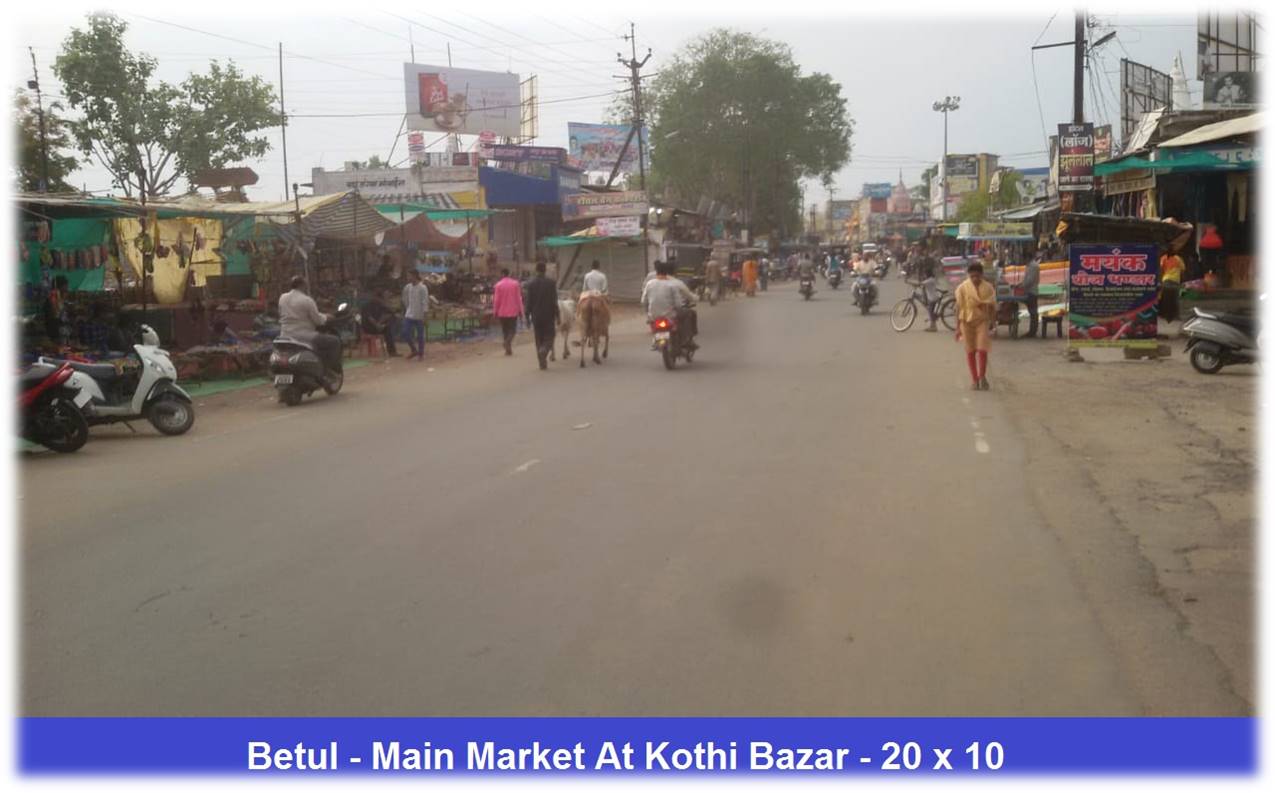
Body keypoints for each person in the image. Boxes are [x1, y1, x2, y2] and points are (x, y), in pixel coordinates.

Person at [279, 275, 342, 376]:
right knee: (334, 341)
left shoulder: (282, 298)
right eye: (306, 284)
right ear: (302, 285)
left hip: (285, 335)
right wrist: (327, 317)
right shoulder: (307, 300)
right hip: (304, 335)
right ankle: (331, 369)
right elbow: (318, 320)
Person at [954, 262, 997, 391]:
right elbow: (958, 307)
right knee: (970, 350)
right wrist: (957, 328)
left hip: (982, 321)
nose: (975, 279)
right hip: (966, 321)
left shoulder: (988, 288)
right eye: (972, 276)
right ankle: (974, 379)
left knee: (982, 349)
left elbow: (993, 306)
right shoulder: (962, 288)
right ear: (969, 276)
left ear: (982, 275)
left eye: (977, 276)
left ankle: (982, 376)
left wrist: (993, 323)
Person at [641, 260, 698, 347]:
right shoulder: (673, 284)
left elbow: (643, 301)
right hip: (670, 315)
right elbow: (678, 304)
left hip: (653, 315)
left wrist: (648, 310)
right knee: (687, 314)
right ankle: (687, 338)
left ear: (656, 272)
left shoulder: (649, 283)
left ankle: (656, 339)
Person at [524, 261, 560, 370]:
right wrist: (558, 316)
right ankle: (544, 350)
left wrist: (527, 318)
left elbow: (528, 302)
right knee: (550, 336)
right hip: (549, 316)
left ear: (536, 270)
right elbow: (554, 301)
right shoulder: (551, 283)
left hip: (536, 316)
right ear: (545, 270)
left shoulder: (530, 284)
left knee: (538, 339)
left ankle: (542, 363)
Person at [492, 268, 525, 356]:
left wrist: (495, 312)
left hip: (502, 312)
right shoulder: (515, 284)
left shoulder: (498, 285)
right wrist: (521, 311)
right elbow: (519, 299)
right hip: (513, 311)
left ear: (502, 274)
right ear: (509, 274)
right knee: (512, 330)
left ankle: (508, 348)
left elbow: (496, 300)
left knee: (505, 331)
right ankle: (507, 343)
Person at [401, 269, 429, 360]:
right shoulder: (408, 287)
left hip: (419, 315)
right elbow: (404, 299)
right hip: (409, 314)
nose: (408, 278)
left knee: (420, 336)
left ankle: (421, 354)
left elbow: (425, 302)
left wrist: (425, 316)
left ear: (415, 276)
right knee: (405, 332)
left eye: (410, 276)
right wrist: (406, 309)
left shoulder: (422, 288)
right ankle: (413, 349)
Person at [361, 289, 400, 357]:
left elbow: (391, 312)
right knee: (387, 329)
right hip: (368, 327)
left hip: (377, 325)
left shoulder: (380, 304)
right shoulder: (367, 305)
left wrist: (381, 322)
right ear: (375, 297)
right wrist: (377, 325)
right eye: (378, 298)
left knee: (389, 323)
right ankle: (392, 352)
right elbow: (369, 318)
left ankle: (392, 352)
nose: (379, 300)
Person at [1159, 241, 1186, 326]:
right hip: (1175, 282)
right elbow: (1183, 271)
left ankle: (1163, 315)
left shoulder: (1163, 258)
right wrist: (1182, 281)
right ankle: (1176, 316)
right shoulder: (1178, 259)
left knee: (1165, 300)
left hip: (1165, 281)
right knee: (1175, 300)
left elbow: (1161, 270)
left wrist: (1160, 281)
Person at [1020, 247, 1042, 338]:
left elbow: (1030, 280)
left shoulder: (1033, 266)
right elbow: (1026, 279)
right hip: (1029, 291)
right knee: (1032, 312)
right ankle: (1032, 331)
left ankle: (1032, 332)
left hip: (1031, 292)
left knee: (1033, 312)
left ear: (1027, 258)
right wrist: (1020, 284)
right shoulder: (1029, 266)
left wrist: (1022, 286)